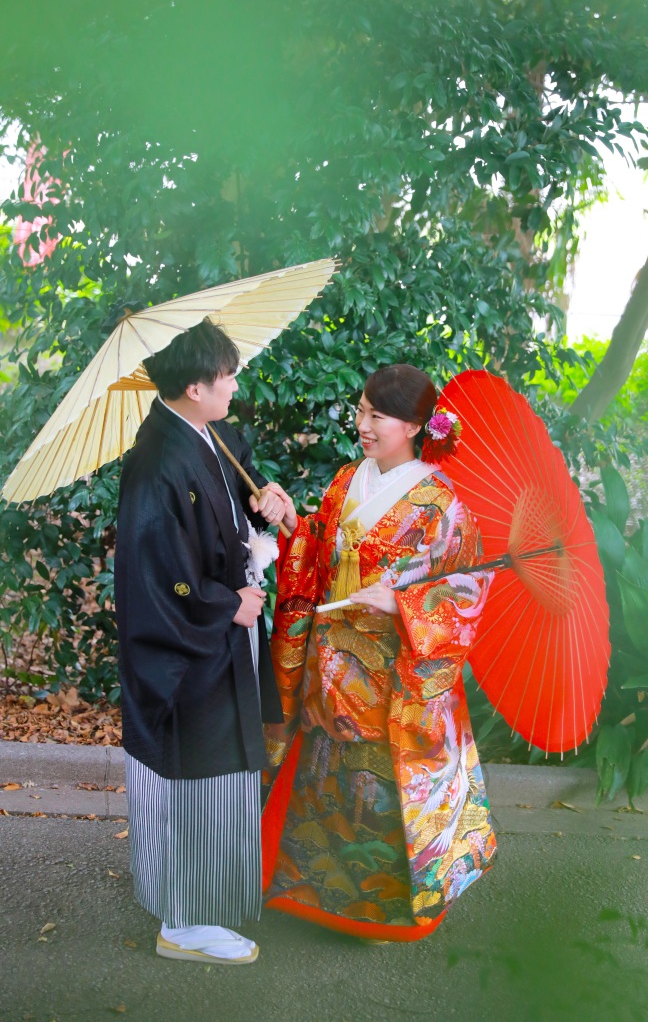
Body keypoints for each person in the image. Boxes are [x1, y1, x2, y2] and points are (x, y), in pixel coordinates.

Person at [260, 363, 497, 943]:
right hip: (330, 663)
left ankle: (384, 911)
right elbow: (321, 547)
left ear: (416, 425)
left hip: (390, 673)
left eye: (378, 416)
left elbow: (469, 586)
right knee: (325, 778)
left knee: (378, 791)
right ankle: (314, 890)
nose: (362, 424)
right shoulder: (348, 480)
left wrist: (404, 605)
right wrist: (294, 521)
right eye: (361, 410)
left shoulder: (442, 506)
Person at [114, 318, 289, 965]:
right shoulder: (155, 463)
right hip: (187, 651)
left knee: (217, 775)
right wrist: (227, 603)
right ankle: (186, 924)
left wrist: (265, 502)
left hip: (222, 639)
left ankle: (191, 899)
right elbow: (158, 577)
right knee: (196, 773)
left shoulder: (212, 435)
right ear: (194, 385)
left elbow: (230, 514)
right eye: (227, 376)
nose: (235, 384)